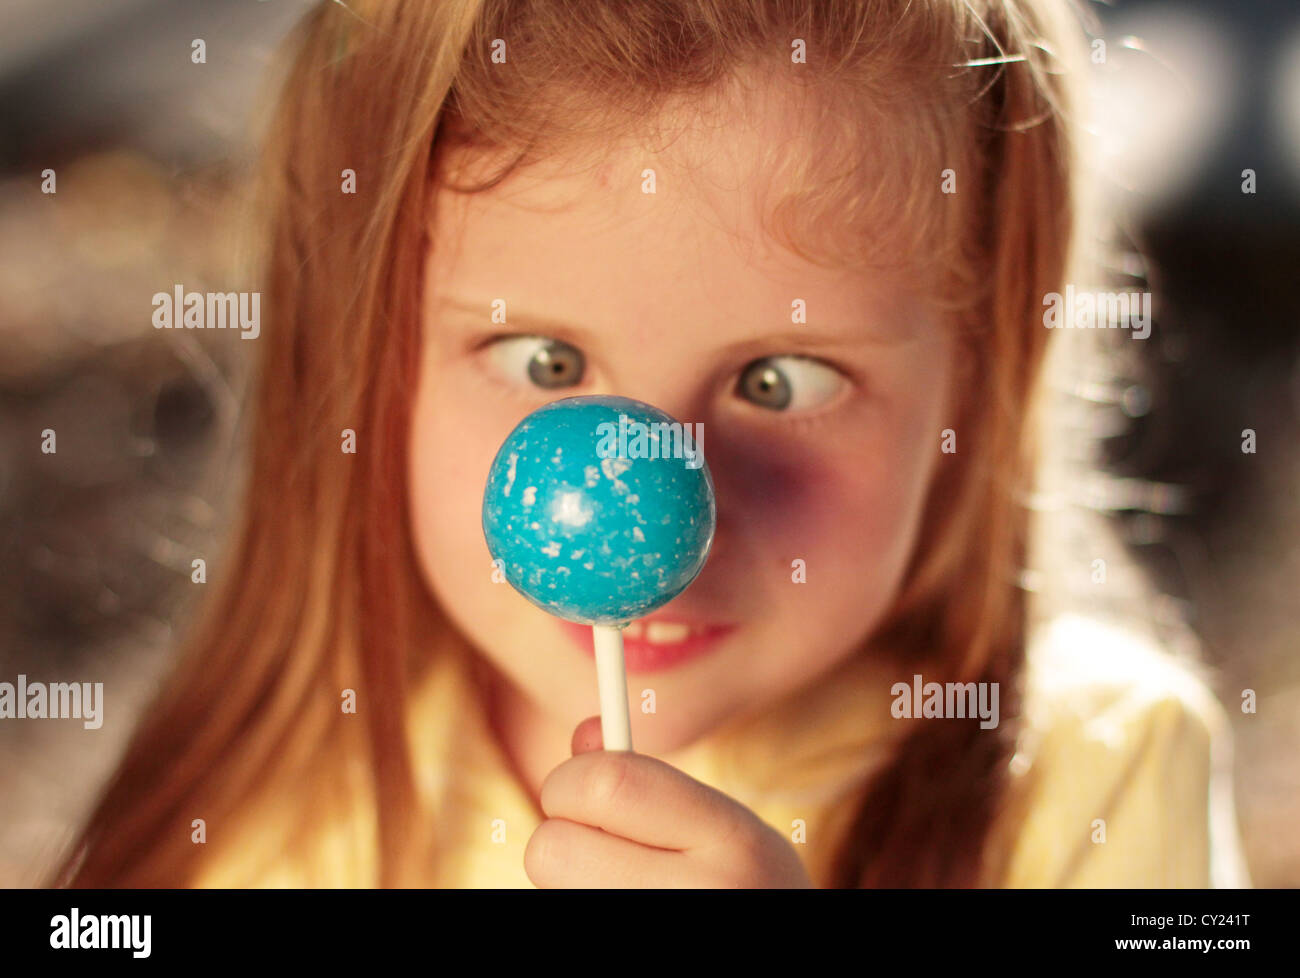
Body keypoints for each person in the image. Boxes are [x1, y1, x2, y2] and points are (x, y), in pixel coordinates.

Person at [53, 0, 1249, 888]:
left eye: (781, 380)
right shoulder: (278, 805)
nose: (656, 523)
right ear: (364, 360)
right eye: (547, 366)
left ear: (974, 392)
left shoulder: (1094, 775)